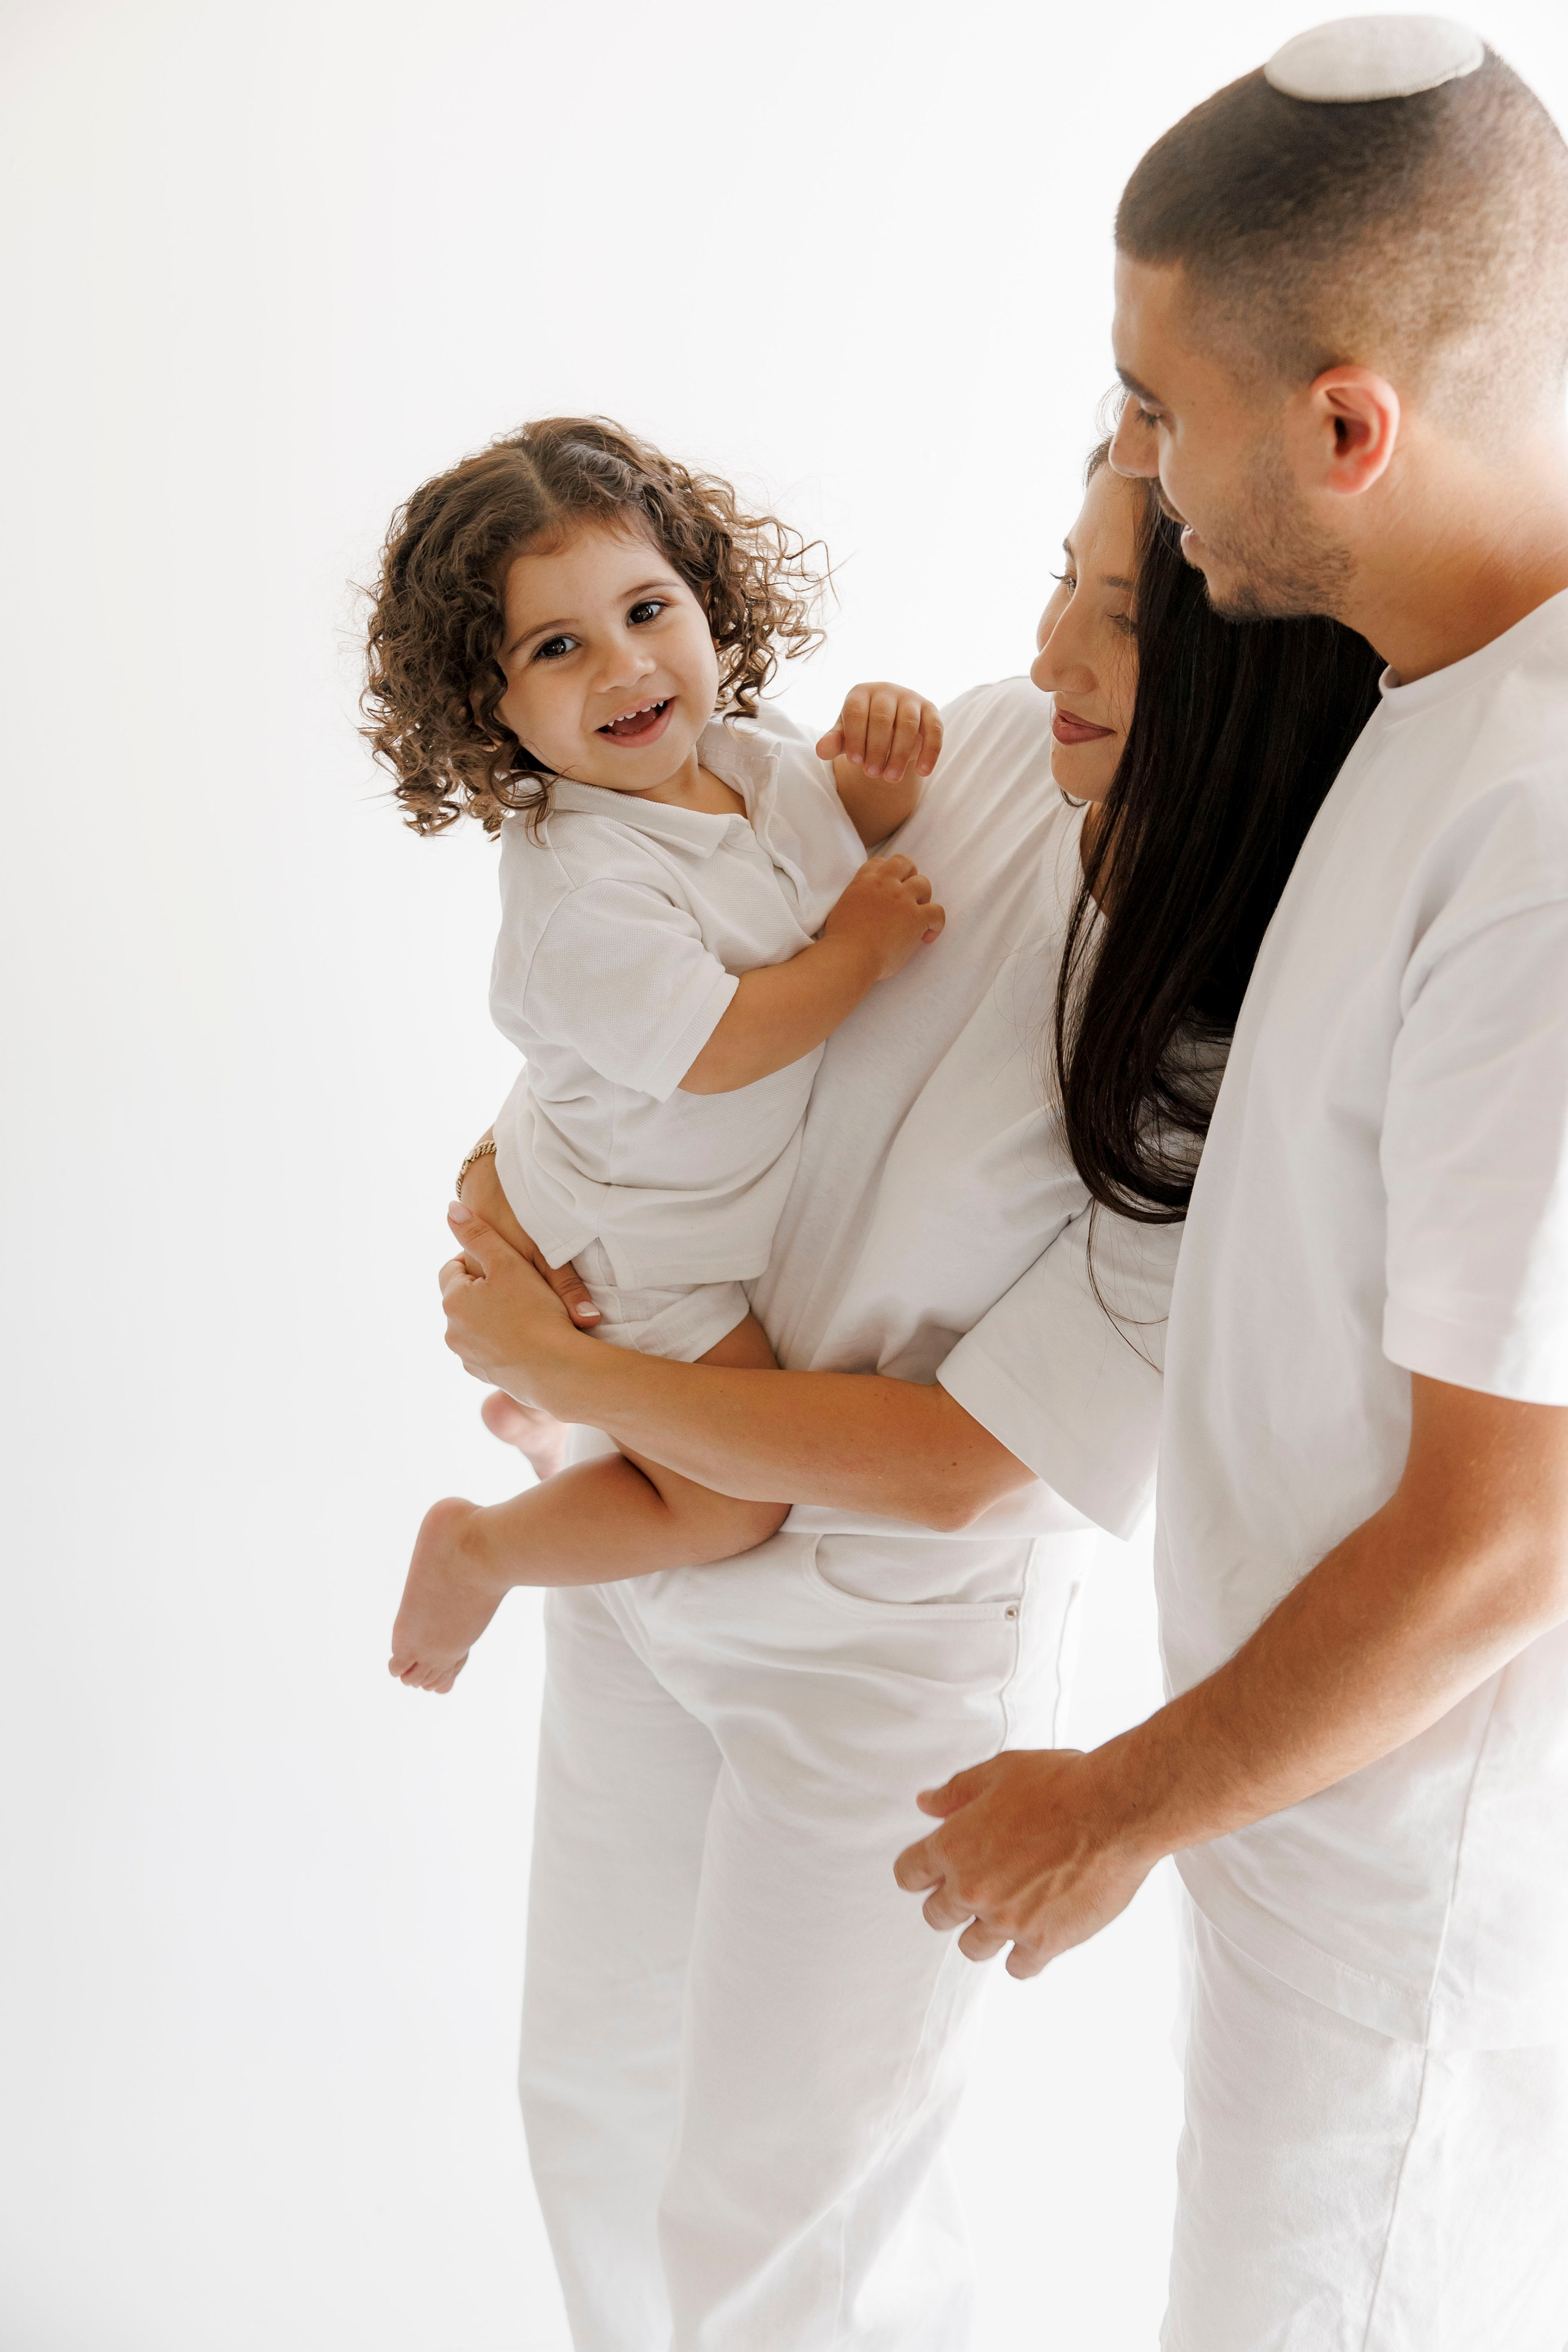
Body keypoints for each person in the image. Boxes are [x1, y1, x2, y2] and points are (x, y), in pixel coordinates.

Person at [438, 443, 1380, 2349]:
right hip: (649, 1543)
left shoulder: (1237, 1028)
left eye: (1118, 622)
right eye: (1060, 580)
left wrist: (574, 1365)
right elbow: (668, 1018)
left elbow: (966, 1466)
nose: (1047, 652)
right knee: (597, 2107)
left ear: (1249, 674)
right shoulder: (998, 750)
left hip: (870, 1659)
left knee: (789, 2228)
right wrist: (510, 1207)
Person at [889, 23, 1568, 2350]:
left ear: (1347, 428)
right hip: (1330, 1872)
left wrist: (1114, 1801)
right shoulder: (1433, 704)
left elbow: (1509, 1532)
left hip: (1414, 1937)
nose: (1141, 466)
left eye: (1160, 406)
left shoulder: (1545, 829)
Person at [361, 417, 950, 1690]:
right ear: (486, 703)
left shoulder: (743, 752)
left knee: (668, 1429)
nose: (624, 667)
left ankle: (557, 1419)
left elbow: (825, 841)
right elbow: (722, 1046)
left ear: (705, 598)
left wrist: (881, 780)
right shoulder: (580, 886)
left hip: (608, 1164)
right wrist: (859, 953)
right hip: (635, 1234)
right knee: (731, 1501)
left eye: (645, 610)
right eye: (557, 647)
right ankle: (480, 1551)